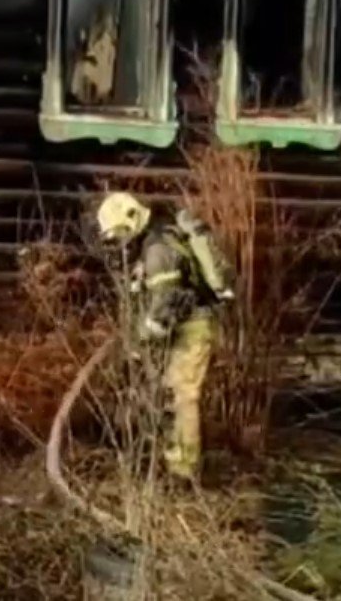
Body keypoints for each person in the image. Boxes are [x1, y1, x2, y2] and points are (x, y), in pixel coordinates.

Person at [94, 192, 236, 485]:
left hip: (193, 326)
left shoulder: (157, 249)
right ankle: (169, 457)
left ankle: (183, 472)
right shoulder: (155, 238)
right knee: (169, 393)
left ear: (130, 220)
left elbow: (165, 303)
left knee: (184, 395)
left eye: (118, 234)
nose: (118, 242)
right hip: (182, 326)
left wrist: (141, 337)